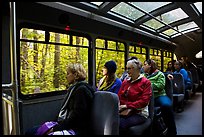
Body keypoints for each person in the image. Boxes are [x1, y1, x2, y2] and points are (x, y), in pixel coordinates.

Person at [25, 63, 95, 135]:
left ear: (76, 75)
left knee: (33, 133)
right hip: (69, 124)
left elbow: (77, 117)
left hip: (78, 129)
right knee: (31, 131)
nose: (66, 76)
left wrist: (55, 128)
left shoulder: (82, 90)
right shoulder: (74, 88)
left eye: (68, 73)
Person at [117, 58, 152, 134]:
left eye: (129, 68)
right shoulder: (125, 82)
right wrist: (120, 106)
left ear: (136, 69)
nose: (127, 71)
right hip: (124, 111)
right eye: (127, 68)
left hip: (139, 113)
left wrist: (126, 106)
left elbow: (144, 102)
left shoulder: (146, 82)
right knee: (110, 121)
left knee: (121, 124)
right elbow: (119, 96)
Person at [143, 59, 177, 135]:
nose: (143, 66)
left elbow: (160, 86)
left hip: (159, 95)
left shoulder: (160, 74)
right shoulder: (143, 75)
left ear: (150, 66)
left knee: (167, 106)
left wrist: (148, 84)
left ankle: (172, 131)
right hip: (148, 97)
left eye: (145, 64)